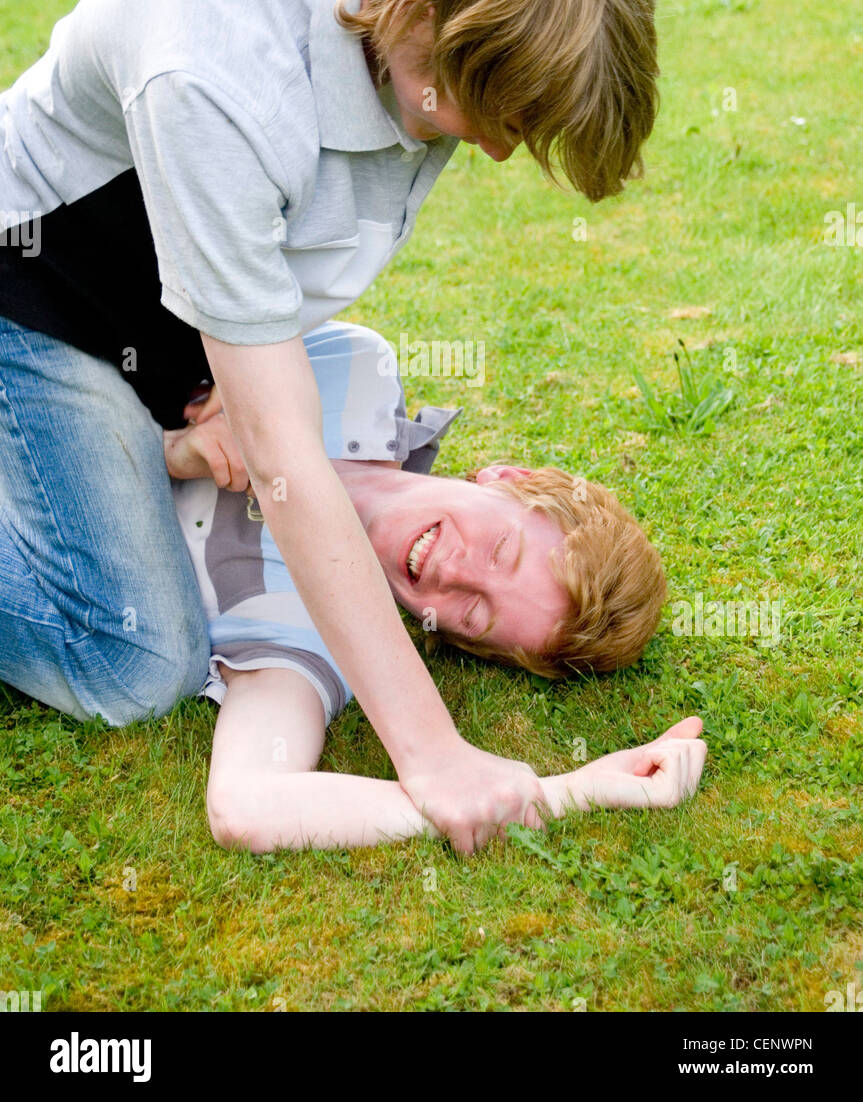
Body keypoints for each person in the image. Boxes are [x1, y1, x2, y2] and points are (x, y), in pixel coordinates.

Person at [0, 0, 659, 854]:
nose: (491, 152)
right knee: (136, 661)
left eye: (467, 622)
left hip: (157, 323)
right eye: (490, 115)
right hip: (35, 293)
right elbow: (283, 465)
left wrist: (220, 390)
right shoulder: (213, 70)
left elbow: (255, 797)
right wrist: (432, 758)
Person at [162, 319, 704, 853]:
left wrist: (564, 791)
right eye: (500, 550)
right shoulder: (355, 371)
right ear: (506, 478)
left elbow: (247, 806)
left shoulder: (318, 641)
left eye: (473, 612)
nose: (455, 572)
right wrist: (175, 442)